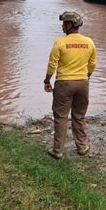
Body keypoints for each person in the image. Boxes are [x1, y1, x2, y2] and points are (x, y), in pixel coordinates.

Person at [43, 11, 96, 159]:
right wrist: (85, 77)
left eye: (64, 23)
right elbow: (92, 64)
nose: (62, 26)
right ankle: (82, 147)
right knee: (79, 116)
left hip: (64, 84)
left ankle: (58, 151)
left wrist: (47, 80)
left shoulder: (60, 42)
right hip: (83, 83)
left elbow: (52, 64)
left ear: (69, 25)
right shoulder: (89, 42)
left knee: (61, 117)